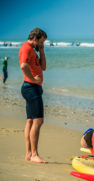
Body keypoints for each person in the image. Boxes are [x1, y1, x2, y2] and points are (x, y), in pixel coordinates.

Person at [19, 27, 47, 163]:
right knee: (38, 120)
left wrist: (42, 51)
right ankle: (34, 154)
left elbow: (44, 67)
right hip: (31, 87)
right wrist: (33, 79)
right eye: (41, 42)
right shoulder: (26, 48)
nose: (42, 44)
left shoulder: (34, 50)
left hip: (32, 87)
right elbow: (23, 66)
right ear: (35, 39)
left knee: (30, 121)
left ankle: (29, 154)